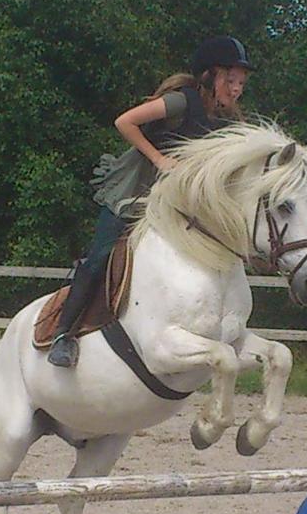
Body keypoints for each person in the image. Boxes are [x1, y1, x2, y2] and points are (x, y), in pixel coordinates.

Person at [47, 35, 253, 368]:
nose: (236, 89)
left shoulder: (228, 122)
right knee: (100, 257)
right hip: (135, 194)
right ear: (209, 77)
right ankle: (63, 334)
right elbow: (124, 121)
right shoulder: (182, 102)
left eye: (241, 83)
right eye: (230, 81)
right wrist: (159, 160)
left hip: (176, 208)